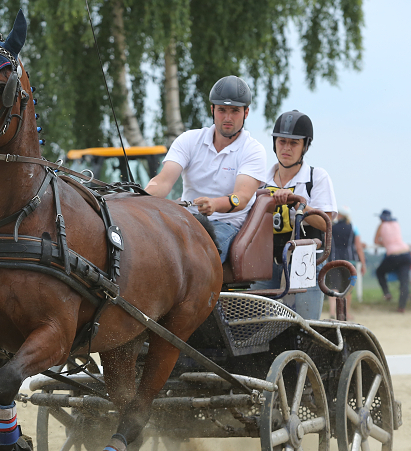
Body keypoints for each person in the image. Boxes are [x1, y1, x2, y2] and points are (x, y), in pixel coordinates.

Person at [145, 75, 267, 263]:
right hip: (186, 219)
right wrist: (140, 198)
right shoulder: (189, 140)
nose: (227, 118)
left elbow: (241, 198)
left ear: (246, 112)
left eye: (234, 111)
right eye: (222, 110)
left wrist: (214, 204)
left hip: (226, 225)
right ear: (212, 110)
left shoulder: (253, 150)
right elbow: (163, 181)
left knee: (195, 255)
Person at [249, 110, 336, 320]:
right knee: (257, 322)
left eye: (294, 143)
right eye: (282, 141)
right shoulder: (259, 180)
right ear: (274, 143)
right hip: (265, 260)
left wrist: (296, 203)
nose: (286, 148)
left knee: (306, 322)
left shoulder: (316, 177)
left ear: (305, 146)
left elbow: (327, 223)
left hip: (305, 259)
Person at [327, 206, 366, 319]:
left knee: (334, 286)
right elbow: (358, 247)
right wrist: (363, 263)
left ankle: (332, 312)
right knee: (348, 287)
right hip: (349, 261)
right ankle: (345, 312)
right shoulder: (353, 227)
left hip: (333, 260)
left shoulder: (331, 227)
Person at [374, 210, 411, 313]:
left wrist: (386, 243)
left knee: (380, 272)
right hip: (406, 253)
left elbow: (376, 241)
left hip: (394, 255)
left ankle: (387, 293)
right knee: (404, 282)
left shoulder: (381, 225)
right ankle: (401, 307)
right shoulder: (396, 223)